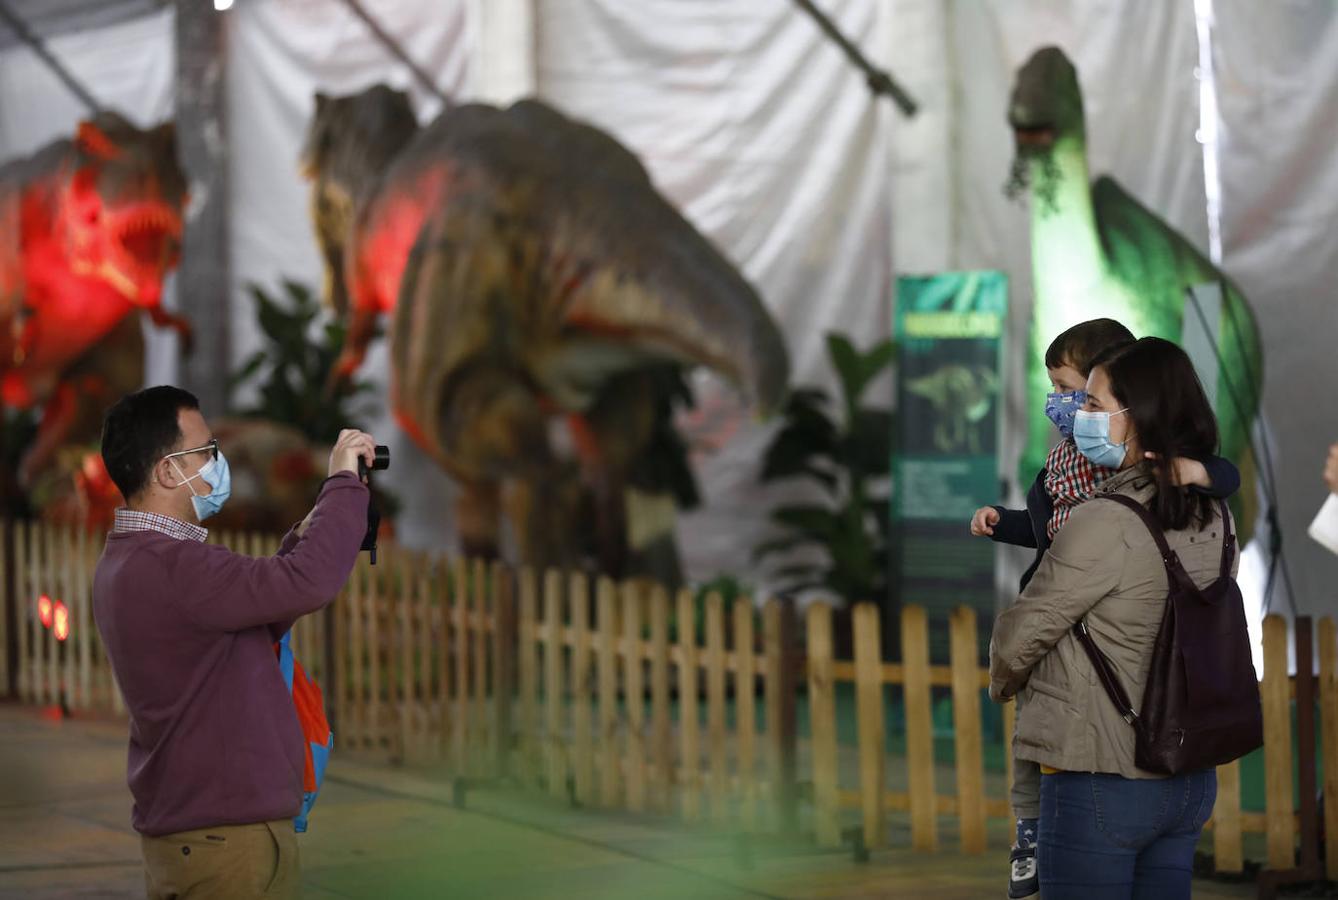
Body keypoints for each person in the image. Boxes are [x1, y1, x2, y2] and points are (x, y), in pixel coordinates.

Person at [970, 319, 1238, 900]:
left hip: (1104, 773)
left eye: (1090, 400)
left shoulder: (1105, 517)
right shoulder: (1212, 514)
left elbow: (1022, 637)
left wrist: (1004, 677)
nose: (1076, 411)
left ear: (1135, 415)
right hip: (1185, 768)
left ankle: (1027, 840)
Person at [93, 385, 374, 899]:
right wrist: (342, 484)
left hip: (194, 837)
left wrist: (311, 530)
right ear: (166, 471)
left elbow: (257, 610)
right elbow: (305, 585)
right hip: (229, 847)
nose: (217, 462)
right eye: (205, 451)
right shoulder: (177, 566)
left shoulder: (130, 560)